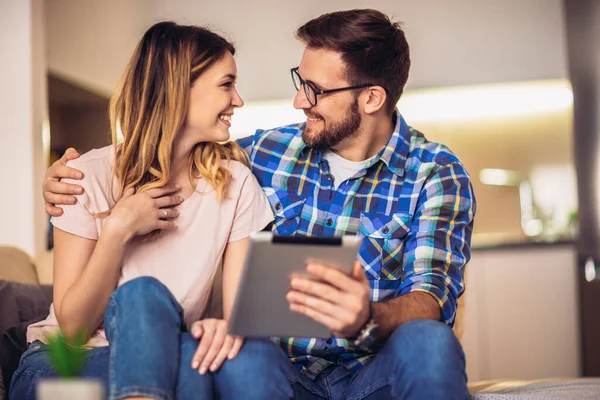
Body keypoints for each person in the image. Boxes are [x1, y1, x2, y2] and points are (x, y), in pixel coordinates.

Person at [41, 9, 476, 400]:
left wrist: (366, 318)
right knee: (235, 350)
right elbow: (179, 154)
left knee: (430, 341)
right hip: (276, 370)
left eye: (315, 90)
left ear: (371, 98)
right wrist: (62, 182)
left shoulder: (434, 173)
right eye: (299, 81)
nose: (299, 101)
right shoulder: (265, 152)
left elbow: (431, 297)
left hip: (370, 368)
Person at [10, 21, 273, 400]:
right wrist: (118, 229)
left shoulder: (234, 185)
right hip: (64, 364)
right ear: (178, 89)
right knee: (149, 303)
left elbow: (239, 322)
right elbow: (73, 331)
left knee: (187, 354)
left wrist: (225, 327)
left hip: (173, 355)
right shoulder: (87, 175)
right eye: (226, 84)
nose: (238, 100)